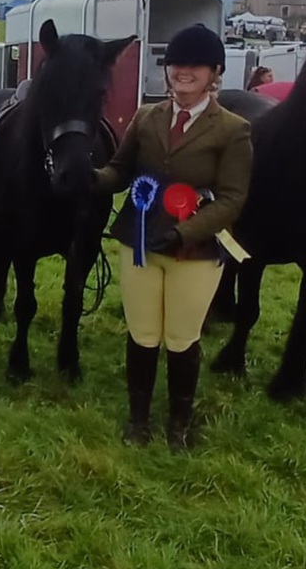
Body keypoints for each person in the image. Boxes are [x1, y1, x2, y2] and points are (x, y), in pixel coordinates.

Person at [94, 24, 253, 450]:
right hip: (140, 239)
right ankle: (138, 418)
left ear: (215, 72)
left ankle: (179, 422)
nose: (184, 72)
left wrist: (186, 232)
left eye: (195, 65)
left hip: (196, 251)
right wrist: (88, 178)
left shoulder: (233, 129)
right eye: (176, 64)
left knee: (181, 337)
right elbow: (120, 170)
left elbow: (233, 198)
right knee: (142, 333)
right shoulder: (147, 117)